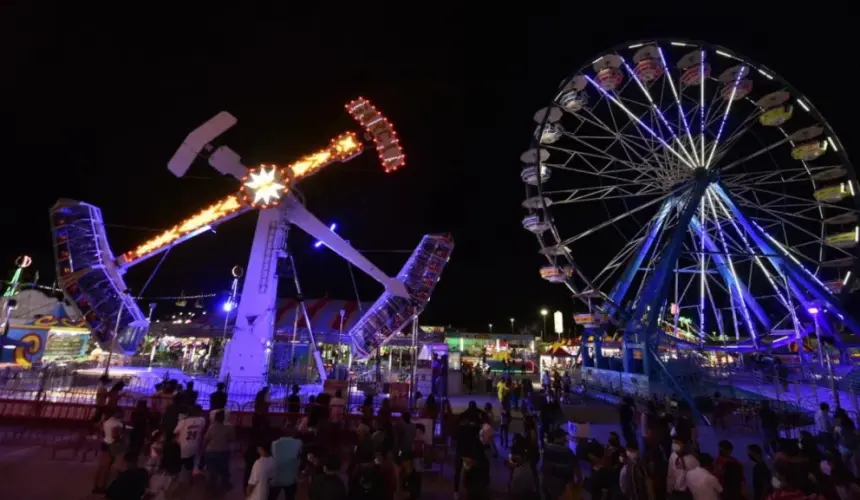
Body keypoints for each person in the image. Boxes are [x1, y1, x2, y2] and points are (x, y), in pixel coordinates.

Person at [93, 407, 126, 494]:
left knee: (101, 467)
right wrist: (122, 439)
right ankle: (103, 486)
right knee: (107, 467)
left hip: (105, 443)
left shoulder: (107, 421)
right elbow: (115, 435)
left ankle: (96, 485)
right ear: (117, 413)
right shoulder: (117, 423)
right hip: (112, 445)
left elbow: (101, 431)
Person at [203, 409, 234, 490]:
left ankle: (211, 486)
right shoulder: (229, 427)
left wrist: (203, 450)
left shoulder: (211, 427)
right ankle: (224, 483)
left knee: (212, 470)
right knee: (224, 469)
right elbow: (232, 438)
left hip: (210, 451)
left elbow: (206, 439)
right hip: (223, 451)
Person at [173, 405, 205, 483]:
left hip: (182, 446)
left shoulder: (184, 421)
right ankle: (190, 480)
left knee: (179, 465)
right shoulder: (202, 420)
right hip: (194, 446)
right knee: (190, 465)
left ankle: (177, 481)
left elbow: (175, 431)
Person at [541, 428, 577, 499]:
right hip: (563, 486)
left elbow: (545, 467)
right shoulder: (569, 452)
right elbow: (575, 468)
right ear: (561, 437)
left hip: (550, 484)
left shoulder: (547, 449)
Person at [270, 425, 303, 500]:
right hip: (291, 478)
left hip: (276, 477)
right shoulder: (298, 443)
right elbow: (299, 458)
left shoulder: (274, 444)